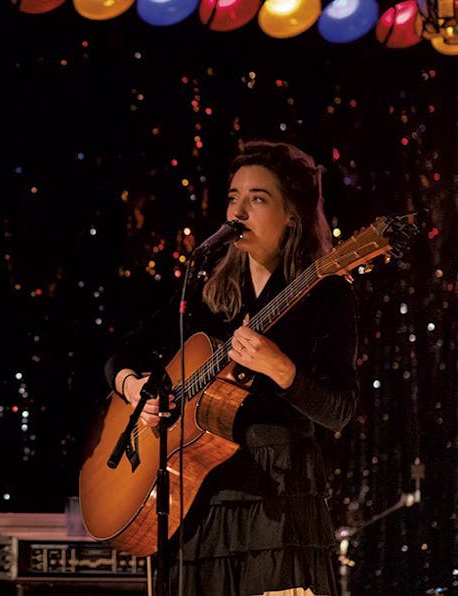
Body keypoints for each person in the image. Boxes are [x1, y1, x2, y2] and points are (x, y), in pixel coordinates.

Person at [105, 141, 358, 595]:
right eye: (232, 197)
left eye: (257, 199)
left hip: (278, 496)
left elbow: (339, 410)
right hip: (199, 498)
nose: (237, 211)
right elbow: (120, 356)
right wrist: (135, 389)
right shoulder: (207, 292)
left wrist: (282, 370)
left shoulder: (325, 292)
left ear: (293, 214)